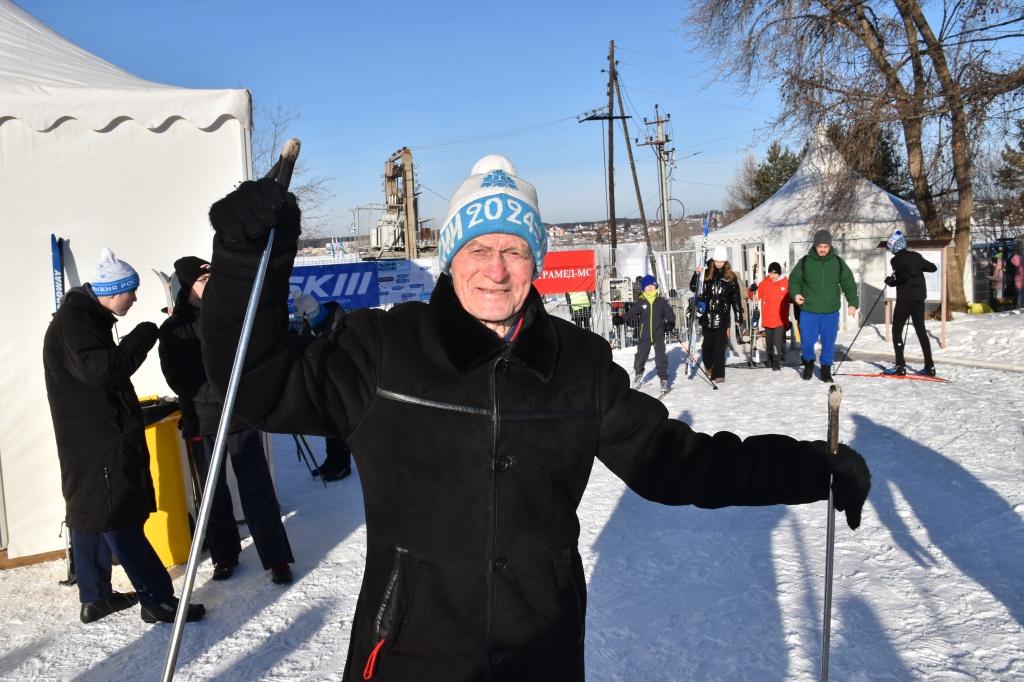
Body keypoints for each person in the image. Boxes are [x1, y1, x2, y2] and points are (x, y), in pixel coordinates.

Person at [200, 154, 870, 682]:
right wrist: (243, 263)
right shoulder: (385, 350)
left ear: (536, 261)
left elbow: (677, 463)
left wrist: (810, 468)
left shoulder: (578, 365)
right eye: (478, 249)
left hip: (540, 654)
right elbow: (256, 387)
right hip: (410, 655)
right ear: (451, 258)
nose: (496, 270)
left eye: (514, 250)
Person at [43, 248, 205, 625]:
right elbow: (106, 372)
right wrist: (145, 334)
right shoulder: (77, 322)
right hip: (98, 440)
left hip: (86, 438)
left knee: (89, 513)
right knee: (118, 517)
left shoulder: (83, 318)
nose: (134, 298)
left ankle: (95, 597)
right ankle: (158, 599)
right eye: (130, 291)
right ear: (112, 291)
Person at [158, 256, 295, 584]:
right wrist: (220, 393)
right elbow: (179, 378)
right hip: (203, 420)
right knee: (213, 494)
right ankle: (224, 555)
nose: (210, 286)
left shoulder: (230, 318)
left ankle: (276, 557)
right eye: (203, 281)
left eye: (212, 280)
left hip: (239, 417)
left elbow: (251, 359)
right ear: (187, 287)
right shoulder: (174, 328)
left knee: (257, 488)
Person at [788, 230, 859, 383]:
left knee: (828, 342)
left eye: (825, 246)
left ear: (830, 246)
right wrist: (796, 294)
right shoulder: (805, 262)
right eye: (819, 246)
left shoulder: (838, 262)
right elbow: (794, 280)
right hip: (809, 310)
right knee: (807, 341)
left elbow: (848, 283)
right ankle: (808, 364)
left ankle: (826, 370)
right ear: (815, 246)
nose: (822, 249)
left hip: (830, 311)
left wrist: (853, 302)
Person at [295, 295, 353, 482]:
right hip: (323, 381)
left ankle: (343, 465)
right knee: (329, 424)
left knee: (340, 425)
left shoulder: (337, 323)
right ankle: (331, 461)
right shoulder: (311, 323)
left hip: (341, 382)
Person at [882, 232, 937, 376]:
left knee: (897, 330)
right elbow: (932, 268)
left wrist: (891, 281)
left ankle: (900, 365)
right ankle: (930, 366)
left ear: (894, 247)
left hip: (905, 299)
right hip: (919, 299)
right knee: (921, 331)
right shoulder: (916, 256)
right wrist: (918, 268)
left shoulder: (895, 260)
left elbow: (903, 279)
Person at [689, 246, 744, 383]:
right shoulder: (706, 273)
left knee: (719, 346)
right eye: (717, 261)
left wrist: (738, 315)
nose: (719, 264)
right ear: (714, 260)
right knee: (708, 345)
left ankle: (719, 373)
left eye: (722, 261)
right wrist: (697, 274)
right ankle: (708, 365)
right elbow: (694, 287)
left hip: (722, 316)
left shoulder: (730, 277)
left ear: (725, 261)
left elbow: (736, 298)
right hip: (707, 315)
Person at [623, 274, 675, 391]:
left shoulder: (661, 301)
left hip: (658, 334)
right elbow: (631, 313)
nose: (650, 288)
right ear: (643, 289)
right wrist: (622, 319)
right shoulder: (641, 302)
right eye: (647, 286)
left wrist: (671, 322)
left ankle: (663, 379)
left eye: (652, 285)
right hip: (645, 335)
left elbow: (670, 313)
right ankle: (638, 373)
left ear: (656, 286)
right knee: (640, 356)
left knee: (660, 357)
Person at [755, 262, 791, 371]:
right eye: (771, 273)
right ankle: (770, 360)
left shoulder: (785, 283)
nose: (773, 275)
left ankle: (776, 363)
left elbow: (793, 295)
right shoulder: (764, 283)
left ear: (779, 273)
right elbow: (755, 297)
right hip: (768, 319)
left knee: (777, 342)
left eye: (775, 273)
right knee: (769, 343)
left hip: (780, 319)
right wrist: (752, 290)